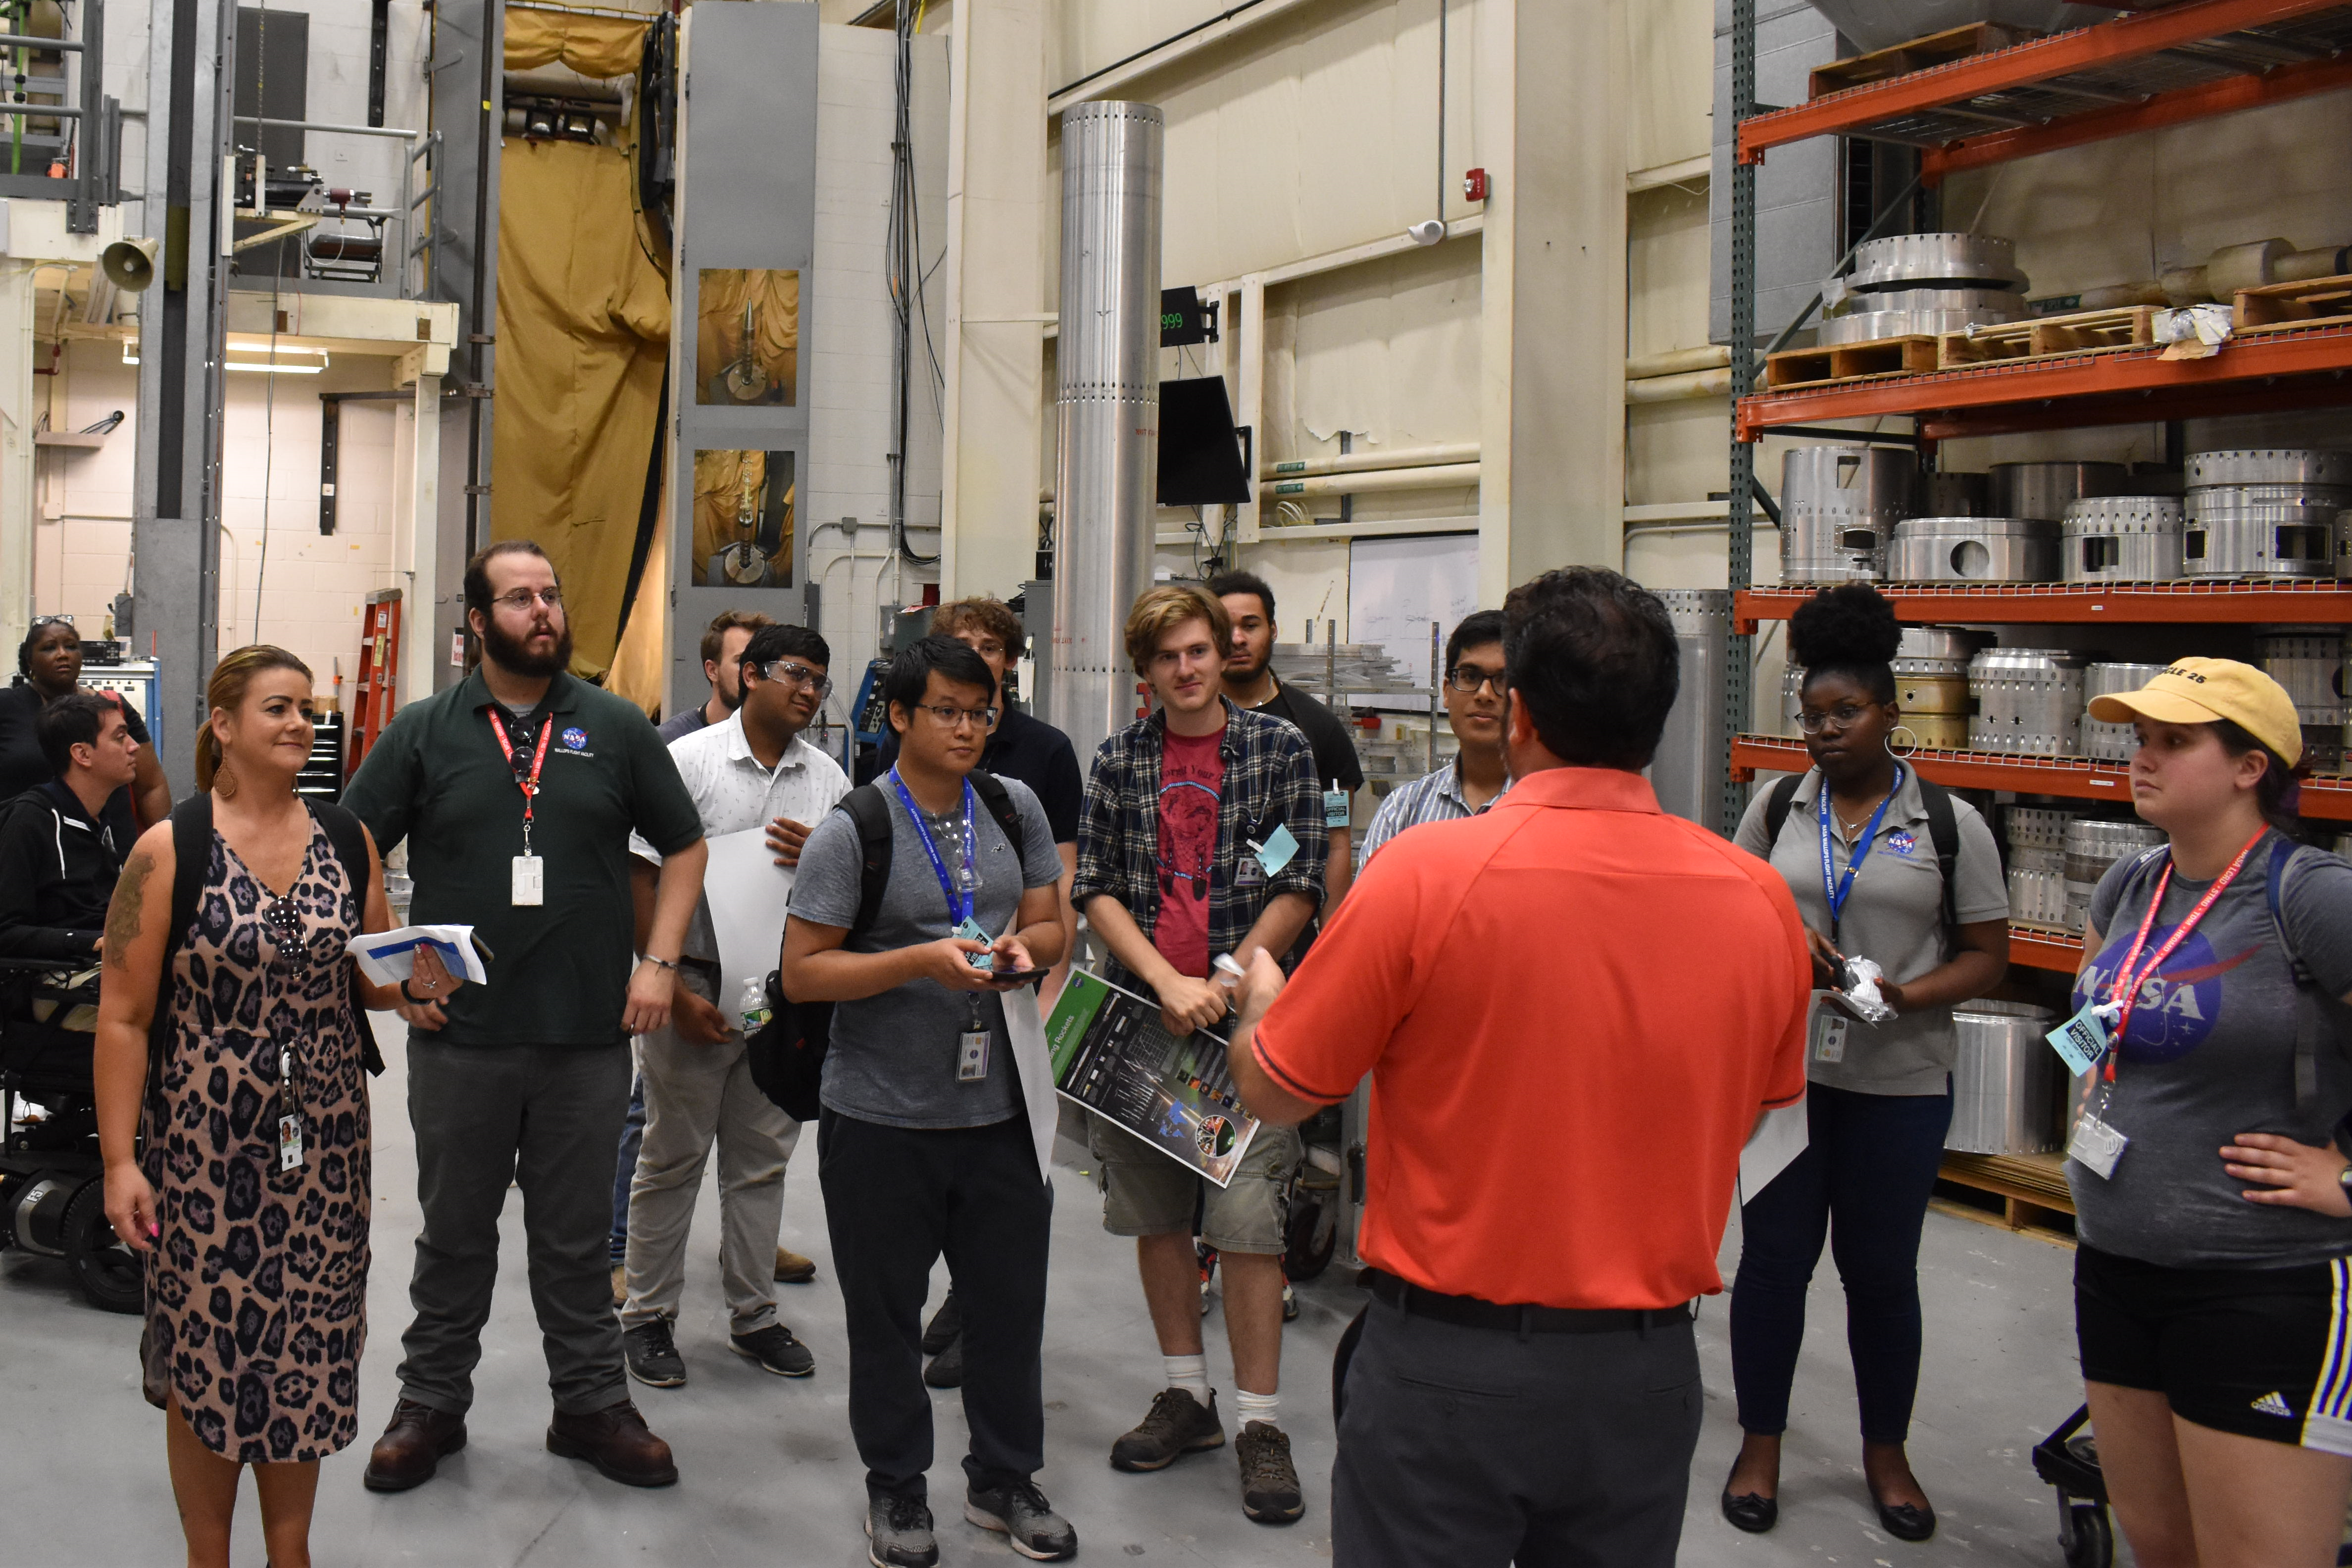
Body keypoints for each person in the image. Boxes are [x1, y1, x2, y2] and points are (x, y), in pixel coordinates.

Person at [1227, 566, 1810, 1568]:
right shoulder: (1758, 902)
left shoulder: (1424, 870)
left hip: (1446, 1367)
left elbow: (1277, 1086)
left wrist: (1260, 1001)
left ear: (1521, 712)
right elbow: (1752, 1112)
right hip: (1644, 1374)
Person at [343, 540, 709, 1493]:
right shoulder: (425, 729)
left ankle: (590, 1405)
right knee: (454, 1233)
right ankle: (431, 1402)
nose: (543, 610)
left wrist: (660, 963)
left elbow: (684, 845)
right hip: (462, 1038)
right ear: (477, 622)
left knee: (577, 1238)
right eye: (518, 598)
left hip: (588, 1038)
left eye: (550, 594)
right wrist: (395, 965)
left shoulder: (616, 726)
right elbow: (350, 846)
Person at [93, 645, 431, 1568]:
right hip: (203, 1150)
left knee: (308, 1354)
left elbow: (367, 972)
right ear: (224, 726)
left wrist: (416, 985)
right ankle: (211, 1555)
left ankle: (292, 1554)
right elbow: (122, 1016)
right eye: (278, 708)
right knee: (213, 1360)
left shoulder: (347, 836)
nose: (300, 724)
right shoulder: (171, 848)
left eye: (308, 709)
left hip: (323, 1151)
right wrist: (122, 1159)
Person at [778, 634, 1074, 1568]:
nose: (967, 729)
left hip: (1001, 1110)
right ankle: (897, 1486)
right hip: (882, 1117)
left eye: (980, 712)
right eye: (945, 710)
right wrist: (922, 960)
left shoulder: (1011, 803)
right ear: (899, 715)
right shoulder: (854, 828)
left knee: (1007, 1306)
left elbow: (1049, 916)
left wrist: (1031, 950)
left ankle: (1004, 1477)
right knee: (887, 1313)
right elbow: (803, 973)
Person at [1723, 583, 2010, 1542]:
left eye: (1843, 712)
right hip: (1787, 1083)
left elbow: (1986, 950)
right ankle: (1757, 1442)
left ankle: (1883, 1452)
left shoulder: (1944, 821)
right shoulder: (1774, 807)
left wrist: (1902, 993)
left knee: (1880, 1274)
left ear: (1890, 713)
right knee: (1770, 1266)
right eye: (1808, 715)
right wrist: (1780, 943)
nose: (1822, 730)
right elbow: (1733, 909)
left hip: (1896, 1083)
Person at [2061, 659, 2352, 1568]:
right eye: (2141, 739)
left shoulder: (2308, 896)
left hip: (2263, 1285)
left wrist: (2348, 1177)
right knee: (2164, 1551)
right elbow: (2084, 1026)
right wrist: (2089, 1103)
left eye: (2175, 741)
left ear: (2250, 766)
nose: (2142, 758)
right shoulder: (2131, 886)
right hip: (2115, 1269)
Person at [1071, 583, 1326, 1525]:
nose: (1185, 668)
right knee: (1156, 1214)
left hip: (1246, 1024)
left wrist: (1222, 974)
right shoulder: (1118, 762)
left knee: (1250, 1218)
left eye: (1199, 651)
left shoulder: (1276, 752)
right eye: (1167, 656)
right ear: (1145, 672)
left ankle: (1261, 1420)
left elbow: (1296, 880)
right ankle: (1189, 1396)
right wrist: (1162, 980)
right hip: (1144, 1020)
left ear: (1224, 654)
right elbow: (1094, 886)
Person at [619, 622, 848, 1388]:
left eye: (819, 678)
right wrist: (671, 985)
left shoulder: (828, 780)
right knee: (671, 1156)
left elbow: (850, 889)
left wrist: (820, 848)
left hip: (780, 1000)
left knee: (760, 1163)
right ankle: (648, 1316)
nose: (809, 691)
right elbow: (641, 874)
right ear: (747, 674)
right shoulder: (686, 762)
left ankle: (753, 1316)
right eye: (795, 673)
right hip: (693, 986)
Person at [879, 596, 1085, 1390]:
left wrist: (1044, 981)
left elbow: (1053, 891)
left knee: (1006, 1175)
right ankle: (950, 1299)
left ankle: (975, 1307)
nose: (964, 724)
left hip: (1013, 989)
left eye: (992, 647)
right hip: (926, 1006)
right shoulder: (897, 756)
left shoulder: (1041, 758)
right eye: (959, 647)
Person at [1209, 569, 1364, 904]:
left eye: (1250, 626)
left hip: (1289, 914)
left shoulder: (1317, 729)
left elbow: (1335, 840)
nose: (1237, 639)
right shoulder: (1185, 724)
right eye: (1224, 628)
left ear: (1273, 630)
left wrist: (1330, 940)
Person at [0, 692, 140, 966]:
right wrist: (86, 942)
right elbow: (5, 931)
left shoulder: (104, 817)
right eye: (120, 737)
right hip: (55, 981)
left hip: (105, 968)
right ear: (82, 754)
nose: (134, 747)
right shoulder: (30, 821)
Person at [1357, 609, 1509, 861]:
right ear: (1447, 691)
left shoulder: (1547, 813)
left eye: (1503, 680)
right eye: (1470, 676)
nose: (1485, 694)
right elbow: (1369, 901)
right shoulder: (1402, 811)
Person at [1, 614, 173, 828]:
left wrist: (162, 842)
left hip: (109, 848)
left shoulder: (112, 708)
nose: (63, 655)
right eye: (49, 648)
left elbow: (150, 786)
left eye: (71, 647)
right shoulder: (7, 706)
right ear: (30, 662)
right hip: (27, 845)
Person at [659, 608, 774, 742]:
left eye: (762, 662)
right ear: (713, 671)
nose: (753, 673)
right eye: (742, 661)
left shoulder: (779, 740)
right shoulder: (671, 739)